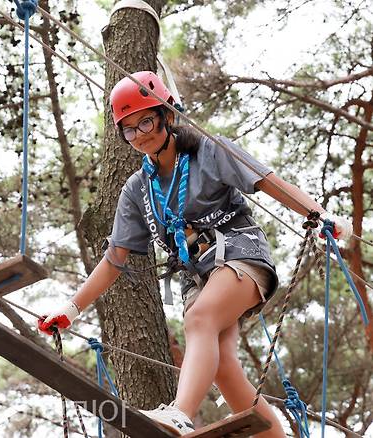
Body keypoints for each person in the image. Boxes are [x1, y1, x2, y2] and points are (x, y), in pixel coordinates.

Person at [36, 71, 352, 437]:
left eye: (146, 121)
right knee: (223, 367)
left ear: (168, 115)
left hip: (238, 251)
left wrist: (318, 214)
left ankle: (181, 413)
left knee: (200, 319)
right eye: (129, 129)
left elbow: (267, 180)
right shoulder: (138, 189)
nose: (140, 135)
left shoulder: (209, 150)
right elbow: (114, 258)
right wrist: (71, 309)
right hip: (195, 275)